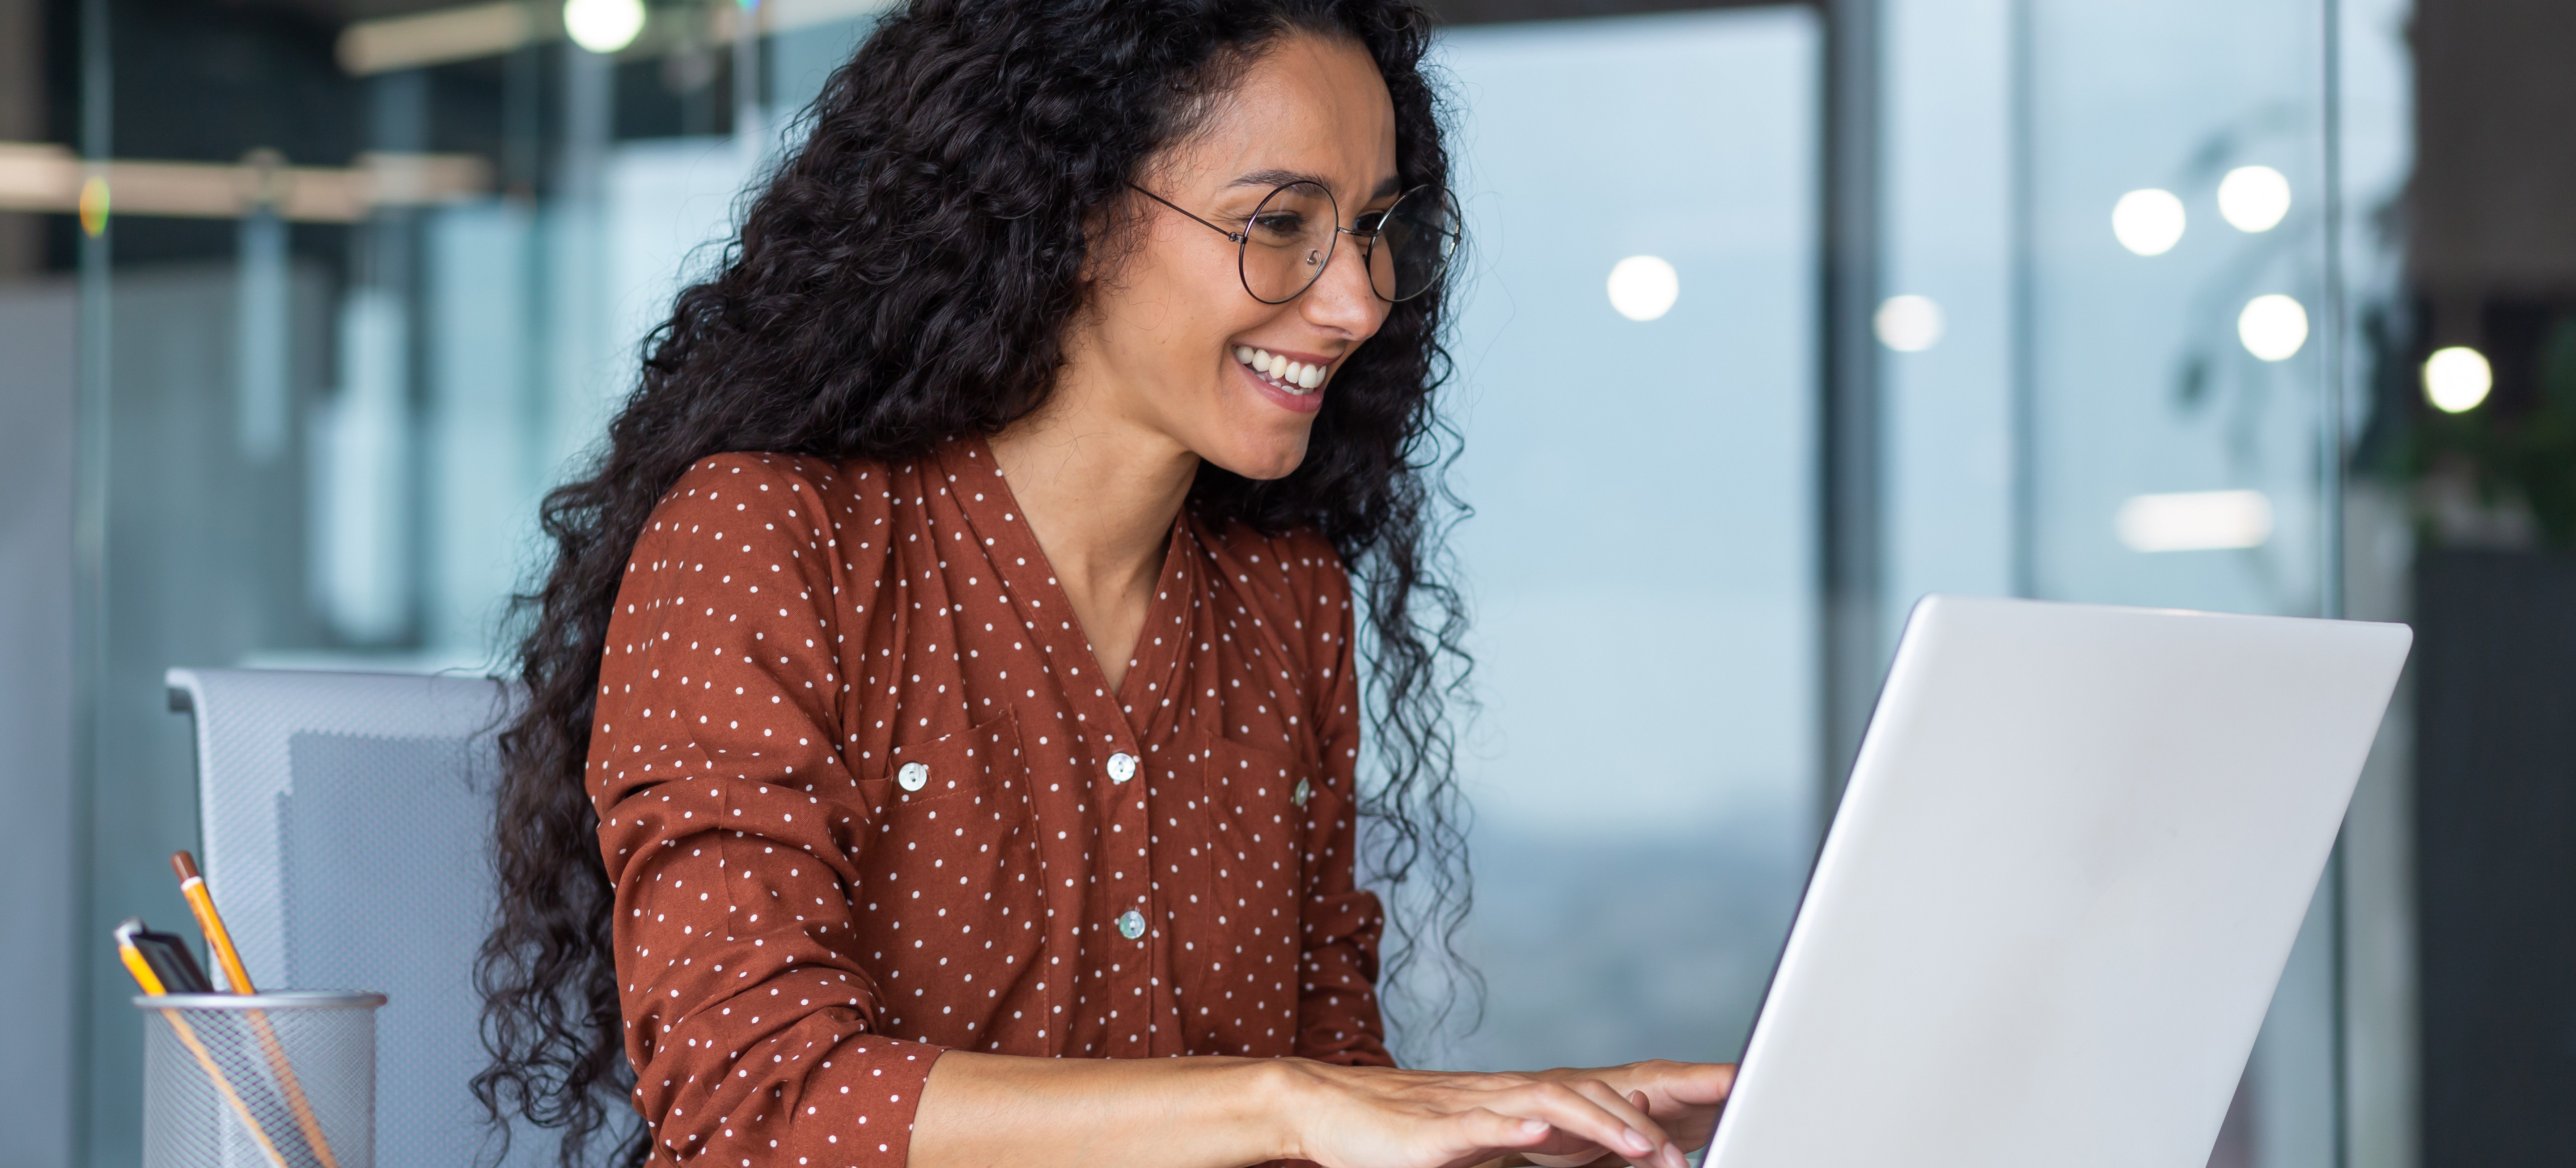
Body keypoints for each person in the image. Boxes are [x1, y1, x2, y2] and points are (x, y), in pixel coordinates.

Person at [476, 1, 1736, 1165]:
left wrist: (1515, 1132)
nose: (1355, 300)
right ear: (1073, 211)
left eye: (1368, 229)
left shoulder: (1282, 602)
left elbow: (1338, 1093)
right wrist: (1277, 1096)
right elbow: (756, 1097)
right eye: (1279, 225)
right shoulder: (770, 540)